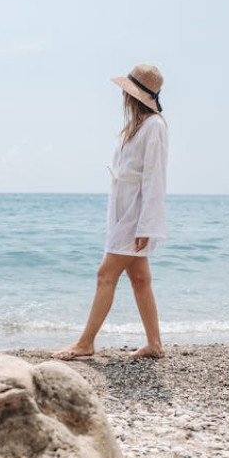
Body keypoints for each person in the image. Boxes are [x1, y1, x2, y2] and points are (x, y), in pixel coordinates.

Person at [52, 64, 168, 360]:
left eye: (127, 92)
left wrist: (147, 225)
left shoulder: (154, 126)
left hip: (136, 214)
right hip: (123, 212)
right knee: (140, 279)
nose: (122, 96)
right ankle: (154, 344)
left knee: (105, 274)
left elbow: (154, 178)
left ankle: (85, 343)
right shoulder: (133, 127)